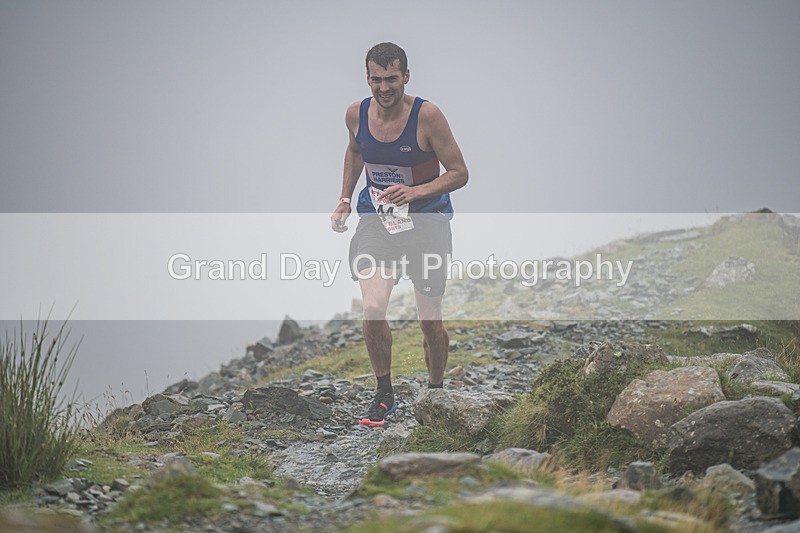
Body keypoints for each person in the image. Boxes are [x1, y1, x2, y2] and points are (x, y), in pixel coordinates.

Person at [330, 42, 469, 427]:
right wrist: (344, 199)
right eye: (376, 79)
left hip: (427, 223)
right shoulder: (355, 114)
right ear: (367, 78)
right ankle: (384, 395)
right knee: (373, 309)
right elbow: (355, 151)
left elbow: (460, 172)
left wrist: (416, 191)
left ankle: (436, 391)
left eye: (391, 78)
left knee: (429, 321)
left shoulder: (428, 117)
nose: (384, 87)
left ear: (406, 76)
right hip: (378, 221)